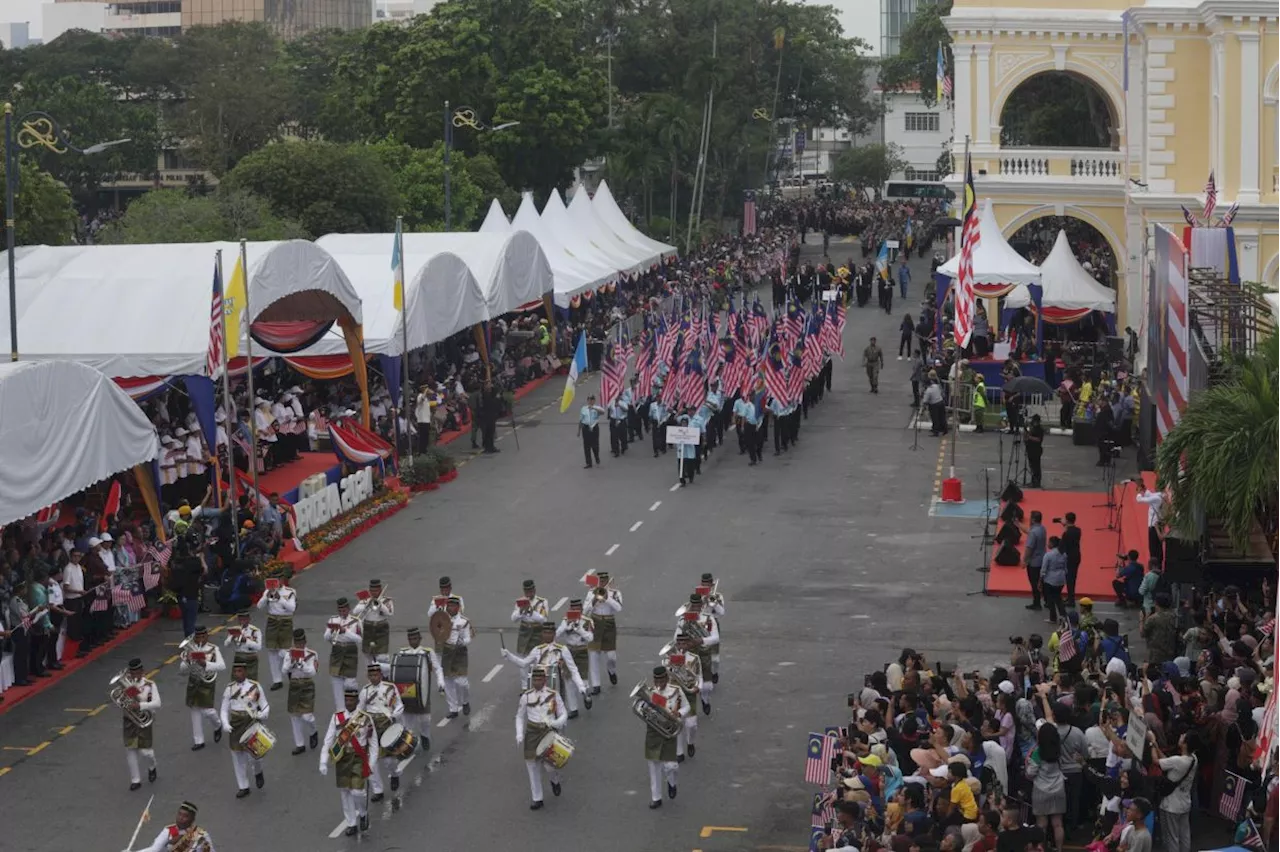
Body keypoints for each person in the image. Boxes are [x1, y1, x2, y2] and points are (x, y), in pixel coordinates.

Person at [503, 622, 590, 718]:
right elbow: (523, 663)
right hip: (540, 687)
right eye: (545, 632)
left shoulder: (562, 649)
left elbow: (573, 670)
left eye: (550, 633)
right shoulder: (537, 650)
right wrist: (508, 655)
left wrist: (581, 687)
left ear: (554, 634)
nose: (547, 635)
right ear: (542, 634)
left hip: (556, 687)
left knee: (555, 717)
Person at [320, 686, 374, 836]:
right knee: (345, 791)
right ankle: (351, 823)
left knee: (357, 792)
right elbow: (328, 739)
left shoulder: (364, 717)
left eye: (351, 700)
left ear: (357, 701)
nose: (348, 702)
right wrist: (323, 761)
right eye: (346, 700)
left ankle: (363, 813)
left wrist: (372, 762)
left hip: (358, 756)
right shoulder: (337, 717)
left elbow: (373, 741)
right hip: (343, 757)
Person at [516, 665, 569, 810]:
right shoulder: (526, 696)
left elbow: (564, 713)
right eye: (535, 679)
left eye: (539, 679)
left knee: (549, 766)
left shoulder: (553, 694)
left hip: (548, 732)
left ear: (545, 680)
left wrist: (557, 722)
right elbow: (519, 717)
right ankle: (537, 798)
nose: (537, 682)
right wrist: (519, 733)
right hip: (532, 733)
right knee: (532, 766)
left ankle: (555, 780)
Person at [219, 654, 269, 798]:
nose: (237, 674)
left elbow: (264, 705)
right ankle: (243, 786)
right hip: (236, 723)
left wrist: (262, 715)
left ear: (245, 672)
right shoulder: (229, 689)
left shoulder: (255, 686)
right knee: (237, 756)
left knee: (255, 756)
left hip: (251, 722)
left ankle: (258, 771)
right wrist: (225, 723)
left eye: (240, 671)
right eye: (235, 671)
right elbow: (223, 709)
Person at [357, 659, 404, 798]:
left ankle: (394, 774)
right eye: (371, 676)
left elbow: (399, 705)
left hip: (386, 725)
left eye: (376, 675)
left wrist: (394, 717)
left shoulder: (390, 688)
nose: (373, 678)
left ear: (381, 675)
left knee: (389, 761)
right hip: (371, 727)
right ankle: (378, 790)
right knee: (372, 760)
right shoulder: (365, 691)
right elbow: (359, 711)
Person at [643, 665, 688, 809]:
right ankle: (656, 798)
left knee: (671, 766)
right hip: (654, 732)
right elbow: (642, 710)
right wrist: (646, 710)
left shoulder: (676, 691)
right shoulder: (649, 693)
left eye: (662, 679)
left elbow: (686, 707)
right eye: (657, 680)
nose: (659, 683)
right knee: (654, 766)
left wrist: (678, 714)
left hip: (669, 731)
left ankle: (672, 782)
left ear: (667, 678)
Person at [393, 626, 440, 752]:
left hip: (422, 692)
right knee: (407, 721)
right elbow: (395, 669)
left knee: (425, 719)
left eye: (415, 638)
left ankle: (425, 735)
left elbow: (437, 668)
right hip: (407, 690)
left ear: (420, 638)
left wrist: (441, 682)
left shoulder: (427, 652)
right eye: (410, 638)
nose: (413, 641)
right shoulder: (403, 653)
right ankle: (408, 744)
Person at [1149, 731, 1197, 852]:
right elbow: (1166, 760)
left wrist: (1151, 743)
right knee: (1184, 834)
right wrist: (1156, 745)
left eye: (1183, 737)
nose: (1180, 736)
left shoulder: (1178, 761)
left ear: (1185, 744)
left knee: (1171, 838)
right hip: (1185, 803)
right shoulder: (1193, 759)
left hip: (1171, 805)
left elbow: (1156, 761)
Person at [117, 657, 161, 791]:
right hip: (130, 720)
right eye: (132, 673)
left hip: (144, 720)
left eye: (137, 672)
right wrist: (124, 699)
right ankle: (135, 780)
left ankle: (152, 765)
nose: (134, 676)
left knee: (145, 752)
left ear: (142, 671)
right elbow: (120, 702)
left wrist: (140, 704)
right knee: (130, 750)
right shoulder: (125, 686)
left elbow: (157, 704)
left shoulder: (149, 685)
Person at [180, 625, 225, 750]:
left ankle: (218, 725)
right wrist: (187, 662)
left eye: (203, 636)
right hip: (194, 681)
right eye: (198, 637)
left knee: (207, 710)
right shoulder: (189, 650)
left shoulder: (213, 649)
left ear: (207, 636)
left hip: (207, 681)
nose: (200, 639)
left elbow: (222, 666)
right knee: (194, 709)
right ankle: (199, 741)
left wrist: (206, 664)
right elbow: (182, 671)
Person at [282, 628, 320, 756]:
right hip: (294, 685)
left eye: (301, 642)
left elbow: (313, 672)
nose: (299, 645)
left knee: (307, 717)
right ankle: (300, 744)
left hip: (307, 685)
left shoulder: (312, 654)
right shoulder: (289, 654)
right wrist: (292, 663)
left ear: (305, 641)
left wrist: (302, 664)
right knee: (295, 716)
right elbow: (284, 670)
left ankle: (313, 731)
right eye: (296, 642)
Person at [583, 571, 622, 694]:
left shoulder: (615, 592)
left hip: (609, 623)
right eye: (600, 581)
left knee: (611, 656)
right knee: (594, 654)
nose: (602, 582)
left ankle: (612, 670)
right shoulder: (591, 593)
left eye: (604, 580)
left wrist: (607, 598)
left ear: (608, 580)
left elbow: (619, 608)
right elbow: (585, 610)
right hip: (595, 622)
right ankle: (596, 685)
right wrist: (594, 600)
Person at [256, 575, 296, 691]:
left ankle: (290, 672)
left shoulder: (290, 592)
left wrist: (280, 599)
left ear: (282, 580)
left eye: (278, 580)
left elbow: (292, 608)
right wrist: (266, 597)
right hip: (272, 621)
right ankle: (277, 680)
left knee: (284, 651)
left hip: (285, 622)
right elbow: (259, 606)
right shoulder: (267, 592)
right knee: (272, 651)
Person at [323, 597, 362, 709]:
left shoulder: (356, 621)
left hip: (350, 651)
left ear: (348, 609)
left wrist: (346, 632)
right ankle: (340, 711)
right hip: (337, 651)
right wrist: (331, 631)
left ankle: (355, 706)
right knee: (336, 683)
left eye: (344, 611)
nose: (342, 613)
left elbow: (359, 639)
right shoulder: (333, 619)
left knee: (350, 683)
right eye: (340, 611)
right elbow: (326, 638)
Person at [670, 632, 703, 760]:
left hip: (689, 692)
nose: (681, 646)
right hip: (675, 693)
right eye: (679, 644)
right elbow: (666, 676)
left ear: (689, 645)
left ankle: (690, 741)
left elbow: (699, 676)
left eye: (684, 643)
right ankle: (679, 752)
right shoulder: (669, 658)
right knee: (677, 722)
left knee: (691, 724)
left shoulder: (694, 658)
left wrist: (698, 687)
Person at [440, 596, 473, 718]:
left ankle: (465, 701)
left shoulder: (464, 621)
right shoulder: (442, 619)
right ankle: (453, 708)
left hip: (459, 652)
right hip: (447, 650)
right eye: (449, 606)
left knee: (462, 682)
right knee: (448, 681)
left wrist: (462, 642)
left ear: (458, 608)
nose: (450, 608)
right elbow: (436, 632)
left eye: (453, 606)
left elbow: (468, 638)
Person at [352, 579, 394, 668]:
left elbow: (389, 613)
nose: (374, 593)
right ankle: (371, 677)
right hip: (368, 628)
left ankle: (384, 676)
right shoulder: (365, 600)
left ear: (380, 590)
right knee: (368, 655)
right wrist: (367, 603)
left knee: (382, 657)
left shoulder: (387, 600)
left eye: (376, 591)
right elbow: (355, 611)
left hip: (381, 628)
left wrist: (380, 604)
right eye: (372, 591)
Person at [140, 801, 212, 852]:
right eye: (179, 814)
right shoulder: (169, 830)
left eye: (185, 816)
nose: (181, 818)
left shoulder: (201, 835)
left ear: (192, 819)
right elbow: (155, 849)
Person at [511, 579, 550, 656]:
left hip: (537, 633)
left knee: (537, 658)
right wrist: (520, 611)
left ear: (534, 590)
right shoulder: (520, 602)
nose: (528, 593)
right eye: (526, 591)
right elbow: (513, 619)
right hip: (524, 633)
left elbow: (544, 620)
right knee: (524, 660)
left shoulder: (542, 602)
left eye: (530, 591)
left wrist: (530, 611)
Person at [224, 610, 262, 682]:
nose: (242, 621)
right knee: (236, 680)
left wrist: (246, 641)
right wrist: (231, 637)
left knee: (251, 681)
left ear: (249, 619)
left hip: (251, 658)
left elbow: (259, 647)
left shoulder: (255, 630)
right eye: (240, 619)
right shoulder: (235, 629)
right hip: (238, 657)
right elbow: (226, 644)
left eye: (244, 619)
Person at [1134, 481, 1165, 566]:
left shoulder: (1157, 498)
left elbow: (1140, 500)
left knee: (1154, 549)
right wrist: (1144, 489)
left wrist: (1139, 492)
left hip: (1154, 526)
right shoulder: (1160, 495)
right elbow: (1150, 495)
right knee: (1157, 548)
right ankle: (1157, 565)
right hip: (1158, 524)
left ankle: (1155, 566)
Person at [1040, 536, 1068, 623]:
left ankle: (1053, 618)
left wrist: (1040, 581)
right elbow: (1065, 568)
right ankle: (1064, 616)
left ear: (1052, 544)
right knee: (1058, 598)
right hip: (1061, 579)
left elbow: (1043, 570)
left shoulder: (1048, 555)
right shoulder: (1064, 554)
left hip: (1050, 580)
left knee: (1050, 599)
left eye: (1049, 542)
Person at [1023, 511, 1047, 611]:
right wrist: (1018, 524)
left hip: (1034, 562)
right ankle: (1047, 601)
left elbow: (1029, 548)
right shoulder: (1042, 528)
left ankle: (1037, 603)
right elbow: (1029, 531)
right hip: (1042, 559)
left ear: (1032, 519)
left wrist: (1024, 560)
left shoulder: (1033, 533)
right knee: (1042, 582)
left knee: (1034, 583)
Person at [1059, 512, 1082, 607]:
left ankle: (1071, 601)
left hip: (1070, 558)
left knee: (1069, 579)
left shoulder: (1066, 533)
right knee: (1073, 578)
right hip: (1077, 556)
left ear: (1067, 520)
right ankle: (1070, 596)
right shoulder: (1078, 530)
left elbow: (1061, 547)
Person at [578, 394, 605, 469]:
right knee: (586, 446)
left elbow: (603, 412)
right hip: (586, 428)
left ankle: (596, 456)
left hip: (594, 428)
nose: (590, 401)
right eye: (589, 399)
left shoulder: (597, 408)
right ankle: (588, 462)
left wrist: (593, 408)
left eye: (592, 400)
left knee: (595, 444)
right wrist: (579, 431)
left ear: (594, 400)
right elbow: (581, 420)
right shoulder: (583, 409)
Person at [1025, 414, 1044, 487]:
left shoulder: (1039, 429)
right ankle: (1033, 481)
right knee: (1032, 466)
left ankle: (1037, 482)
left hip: (1036, 450)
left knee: (1036, 467)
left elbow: (1038, 439)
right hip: (1030, 449)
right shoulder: (1032, 428)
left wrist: (1029, 437)